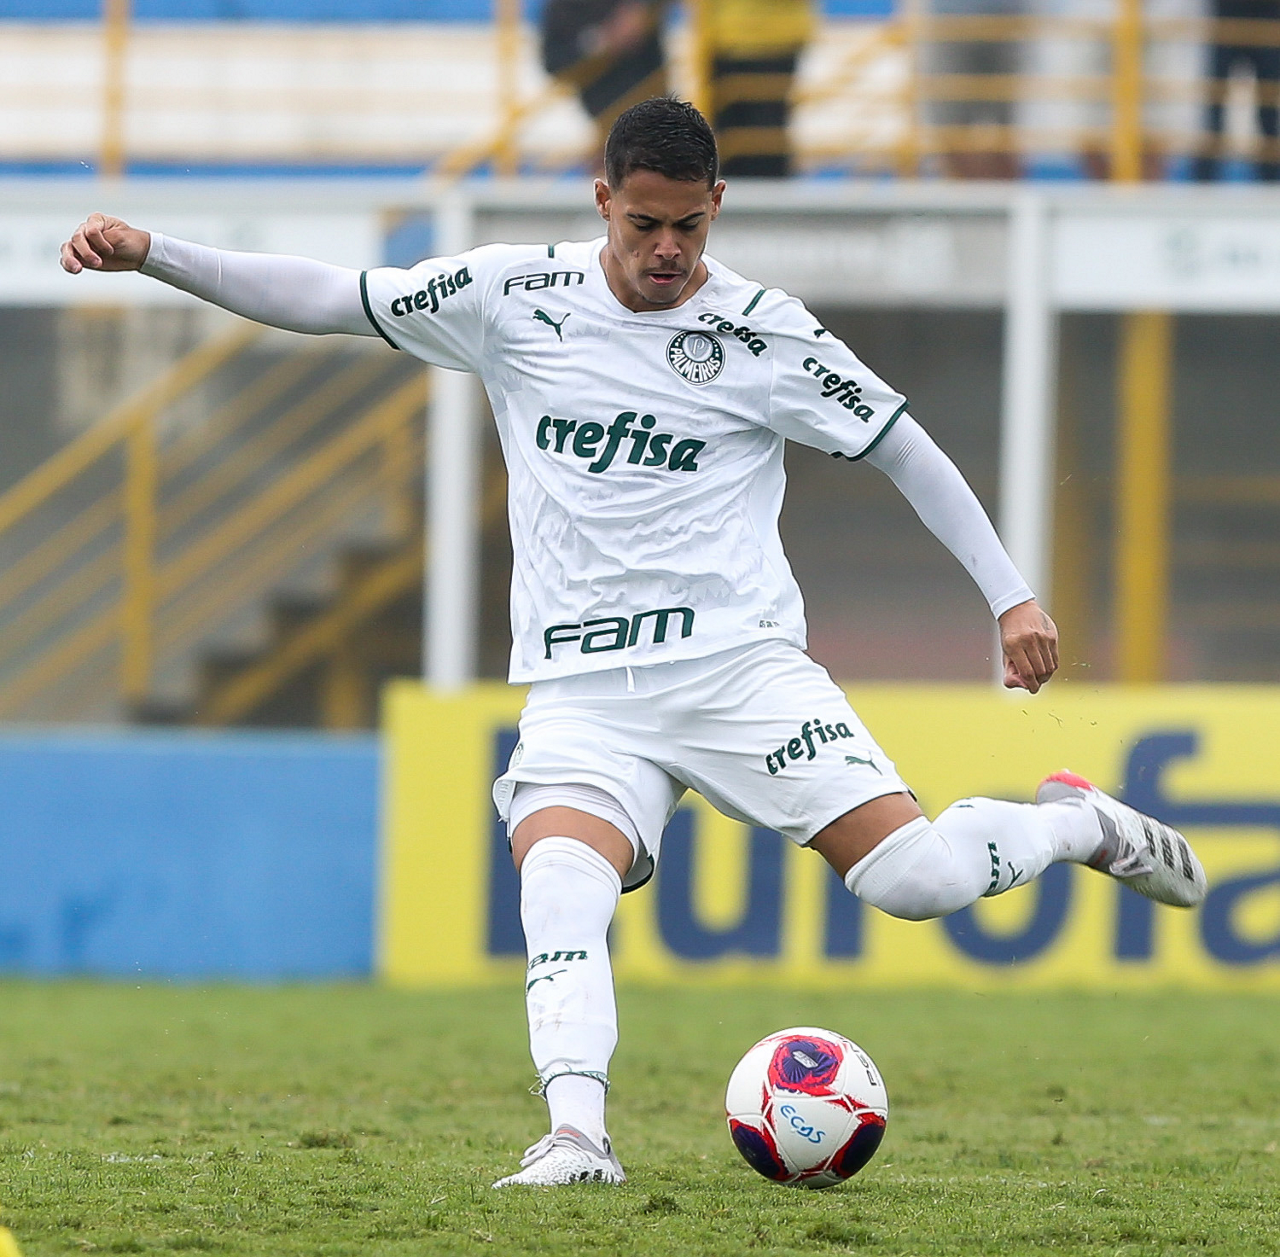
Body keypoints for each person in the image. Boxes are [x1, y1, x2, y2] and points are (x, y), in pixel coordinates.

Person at [61, 96, 1207, 1190]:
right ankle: (576, 1136)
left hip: (738, 671)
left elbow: (902, 446)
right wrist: (157, 254)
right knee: (558, 887)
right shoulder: (512, 294)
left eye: (689, 227)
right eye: (644, 223)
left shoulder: (762, 332)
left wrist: (1010, 598)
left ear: (717, 206)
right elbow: (333, 297)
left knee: (916, 883)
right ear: (602, 198)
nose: (666, 249)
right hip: (582, 688)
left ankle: (1074, 823)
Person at [541, 0, 671, 167]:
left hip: (652, 114)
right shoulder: (564, 8)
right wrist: (600, 41)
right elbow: (553, 61)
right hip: (611, 114)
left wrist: (639, 9)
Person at [705, 0, 815, 177]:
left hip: (769, 41)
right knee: (733, 133)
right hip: (724, 39)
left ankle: (767, 185)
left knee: (762, 134)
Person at [1194, 0, 1280, 182]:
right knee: (1215, 106)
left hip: (1265, 15)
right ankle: (1204, 180)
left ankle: (1271, 179)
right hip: (1230, 13)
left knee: (1268, 107)